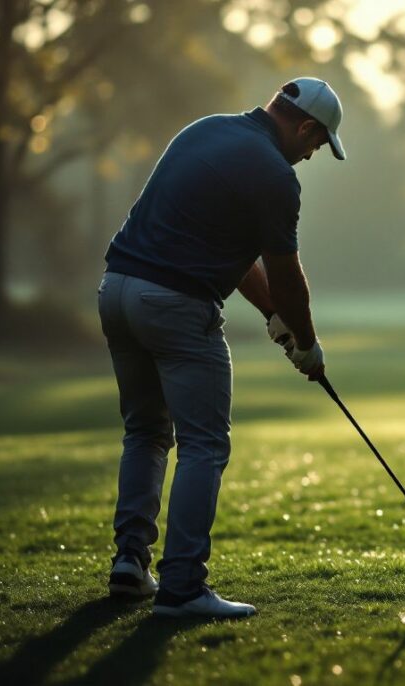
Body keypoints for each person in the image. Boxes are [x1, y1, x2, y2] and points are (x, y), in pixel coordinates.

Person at [96, 77, 346, 619]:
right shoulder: (276, 175)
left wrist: (274, 319)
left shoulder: (205, 131)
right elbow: (286, 274)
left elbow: (236, 260)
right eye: (317, 144)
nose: (311, 156)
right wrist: (307, 342)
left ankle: (130, 564)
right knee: (204, 444)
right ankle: (182, 587)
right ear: (305, 127)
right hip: (176, 305)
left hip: (116, 292)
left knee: (145, 431)